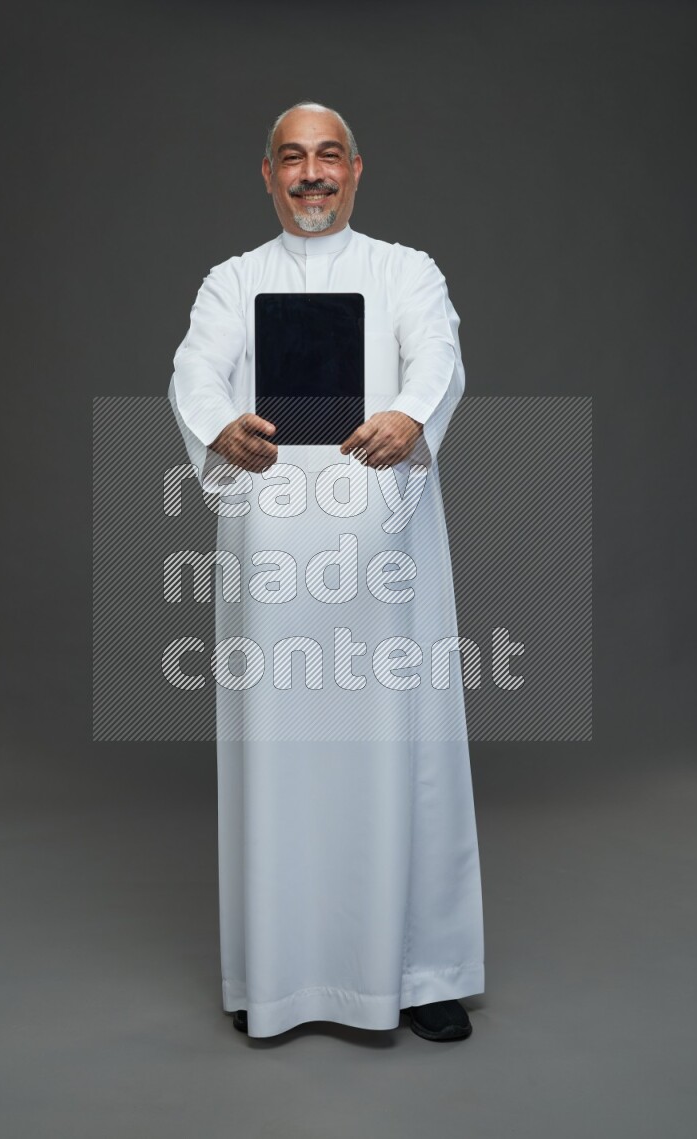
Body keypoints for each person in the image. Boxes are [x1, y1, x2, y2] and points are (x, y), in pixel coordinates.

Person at [168, 101, 484, 1041]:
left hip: (382, 546)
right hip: (273, 550)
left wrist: (413, 416)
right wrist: (218, 425)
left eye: (329, 156)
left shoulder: (406, 270)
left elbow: (438, 353)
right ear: (267, 174)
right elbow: (194, 369)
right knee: (284, 758)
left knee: (404, 750)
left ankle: (421, 972)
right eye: (293, 158)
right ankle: (278, 977)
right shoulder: (233, 281)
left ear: (357, 169)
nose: (312, 173)